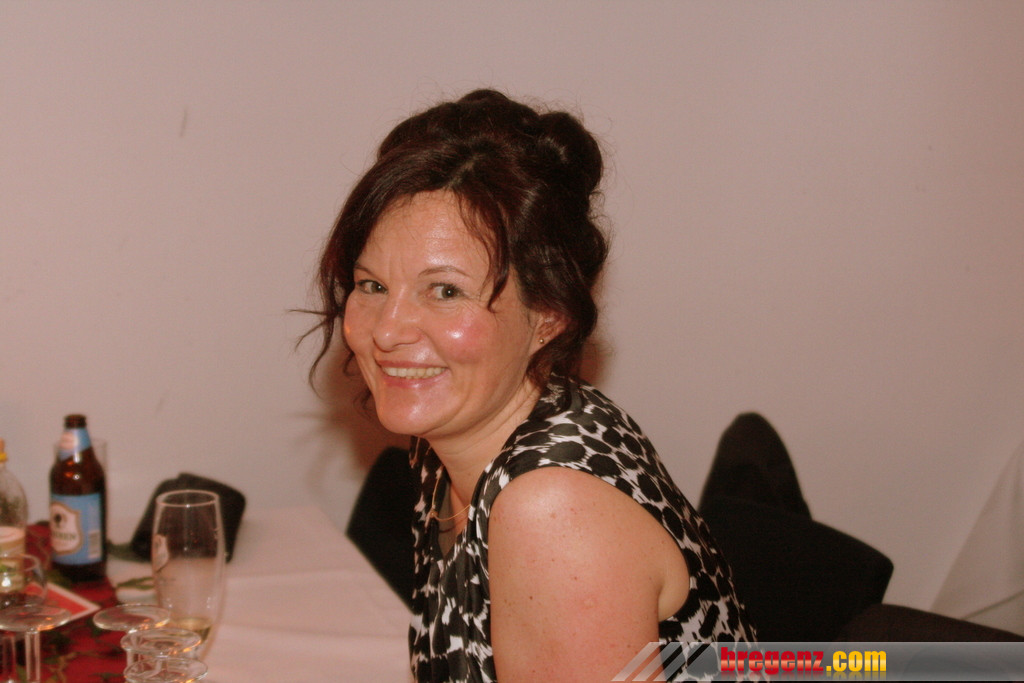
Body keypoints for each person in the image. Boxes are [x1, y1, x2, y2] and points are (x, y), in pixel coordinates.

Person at [309, 89, 755, 682]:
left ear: (549, 314)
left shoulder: (550, 511)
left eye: (445, 291)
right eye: (372, 286)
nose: (387, 331)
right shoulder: (473, 429)